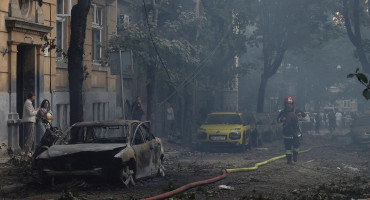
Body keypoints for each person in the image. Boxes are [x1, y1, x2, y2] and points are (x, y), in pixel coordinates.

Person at [277, 96, 305, 164]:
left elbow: (304, 115)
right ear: (285, 104)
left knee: (296, 145)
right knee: (288, 147)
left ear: (292, 103)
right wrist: (281, 119)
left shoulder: (296, 110)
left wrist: (300, 114)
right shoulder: (283, 112)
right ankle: (289, 160)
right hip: (287, 131)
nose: (288, 105)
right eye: (287, 103)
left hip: (295, 131)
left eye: (289, 103)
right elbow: (277, 120)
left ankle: (295, 156)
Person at [22, 92, 39, 157]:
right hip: (29, 121)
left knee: (30, 137)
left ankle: (27, 151)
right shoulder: (28, 103)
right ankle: (27, 152)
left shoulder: (29, 102)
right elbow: (30, 113)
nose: (34, 97)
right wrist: (36, 111)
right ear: (31, 96)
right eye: (33, 96)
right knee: (30, 137)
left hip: (30, 121)